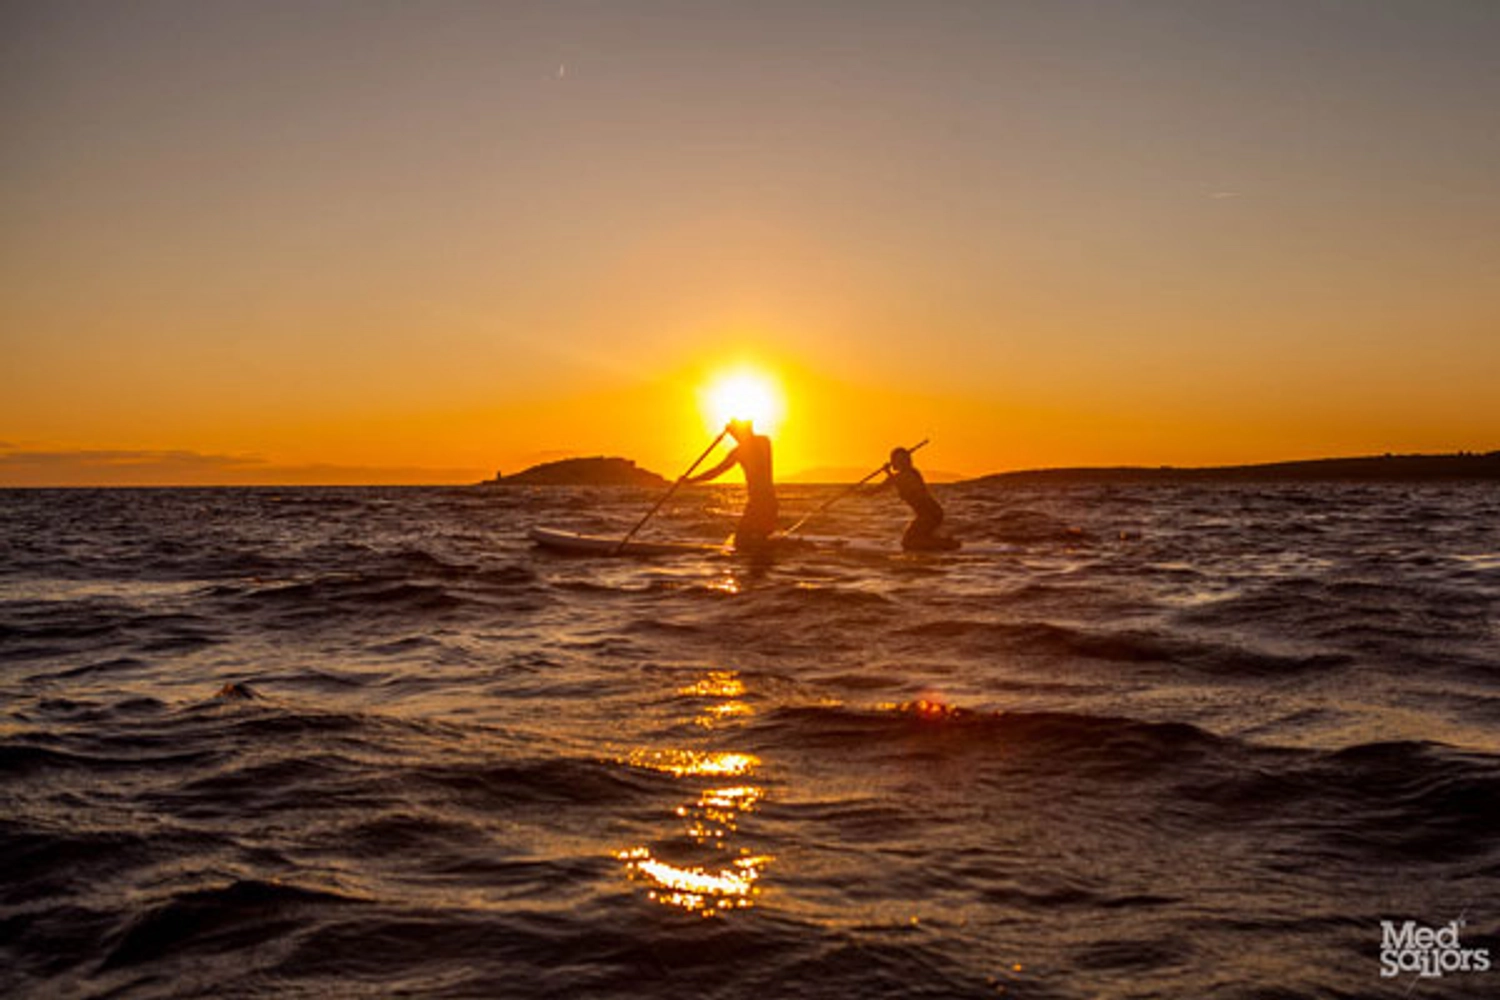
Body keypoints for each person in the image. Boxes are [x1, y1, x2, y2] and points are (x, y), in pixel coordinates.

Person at [688, 419, 779, 548]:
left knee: (742, 542)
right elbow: (716, 471)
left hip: (761, 503)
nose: (734, 438)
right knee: (754, 540)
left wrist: (736, 426)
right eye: (733, 435)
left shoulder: (760, 443)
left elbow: (717, 471)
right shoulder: (749, 448)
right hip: (764, 502)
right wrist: (691, 480)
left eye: (736, 434)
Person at [881, 446, 960, 551]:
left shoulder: (908, 474)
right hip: (931, 513)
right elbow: (891, 483)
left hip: (930, 513)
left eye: (902, 460)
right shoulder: (906, 474)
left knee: (908, 542)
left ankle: (948, 545)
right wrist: (888, 473)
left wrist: (887, 472)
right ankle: (943, 544)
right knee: (913, 540)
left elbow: (892, 483)